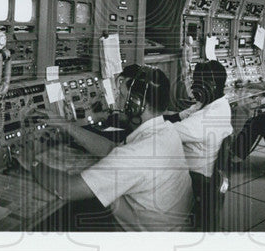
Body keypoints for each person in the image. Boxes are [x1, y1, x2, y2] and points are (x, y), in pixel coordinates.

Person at [20, 67, 194, 231]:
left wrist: (32, 163)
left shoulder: (137, 154)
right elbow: (112, 149)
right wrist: (63, 124)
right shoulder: (167, 131)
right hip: (172, 228)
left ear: (136, 103)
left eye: (122, 95)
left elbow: (68, 189)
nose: (117, 101)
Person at [169, 60, 234, 178]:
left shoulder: (207, 117)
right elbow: (179, 116)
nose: (193, 86)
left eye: (197, 82)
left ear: (210, 84)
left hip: (192, 175)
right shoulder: (216, 104)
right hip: (198, 166)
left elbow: (166, 132)